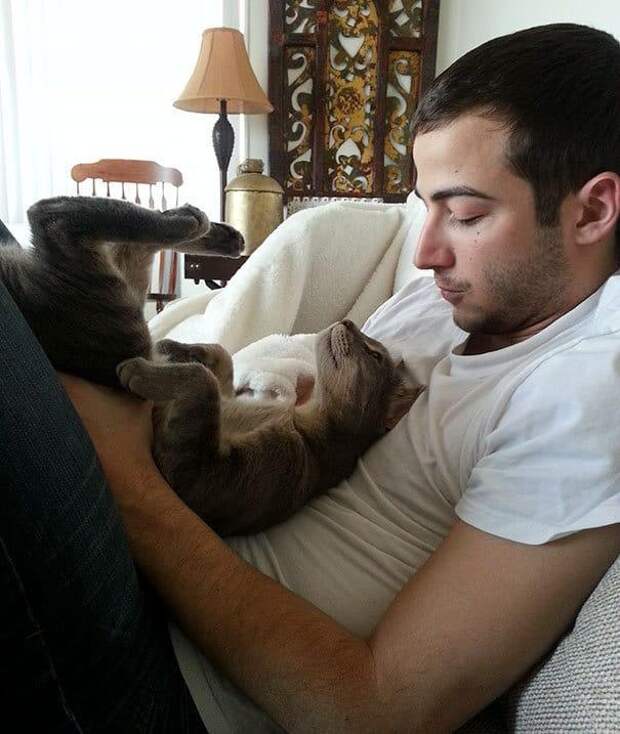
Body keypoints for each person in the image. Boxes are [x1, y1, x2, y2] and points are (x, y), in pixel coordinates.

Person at [4, 21, 620, 733]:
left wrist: (126, 479)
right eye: (425, 206)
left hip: (163, 676)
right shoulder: (455, 296)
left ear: (593, 210)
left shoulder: (585, 392)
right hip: (142, 554)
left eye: (466, 214)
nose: (424, 253)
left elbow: (374, 710)